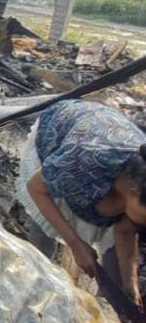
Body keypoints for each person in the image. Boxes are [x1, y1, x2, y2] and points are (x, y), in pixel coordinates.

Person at [16, 99, 146, 304]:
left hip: (104, 130)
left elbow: (126, 231)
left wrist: (130, 285)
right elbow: (37, 189)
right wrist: (76, 244)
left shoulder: (137, 181)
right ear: (132, 192)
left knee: (117, 283)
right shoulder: (83, 162)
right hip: (62, 129)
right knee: (44, 233)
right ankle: (31, 287)